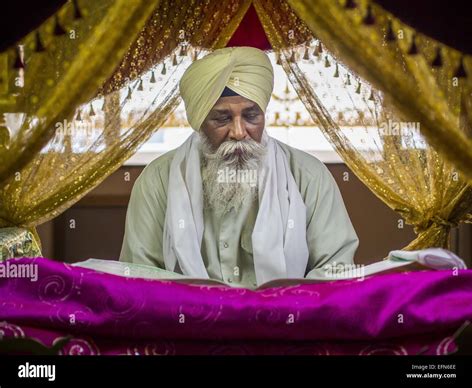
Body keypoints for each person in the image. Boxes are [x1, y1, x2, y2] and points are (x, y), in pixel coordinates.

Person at [119, 46, 359, 287]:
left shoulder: (308, 176)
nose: (238, 132)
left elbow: (335, 271)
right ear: (199, 122)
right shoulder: (158, 180)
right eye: (222, 119)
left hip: (283, 321)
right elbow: (140, 278)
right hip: (191, 322)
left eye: (251, 116)